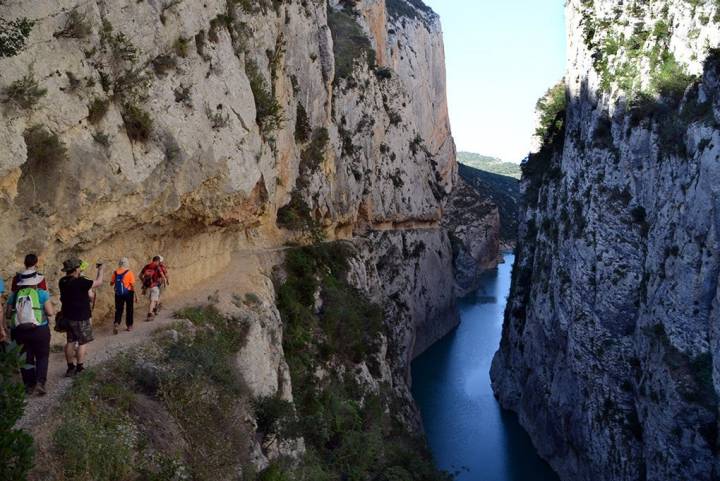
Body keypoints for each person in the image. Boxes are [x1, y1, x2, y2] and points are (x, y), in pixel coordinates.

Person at [6, 270, 54, 395]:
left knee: (25, 358)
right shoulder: (42, 293)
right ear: (35, 282)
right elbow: (50, 312)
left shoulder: (14, 295)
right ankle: (40, 383)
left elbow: (7, 314)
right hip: (39, 330)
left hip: (19, 331)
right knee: (42, 356)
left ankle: (29, 385)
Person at [59, 258, 104, 377]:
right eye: (79, 267)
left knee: (70, 342)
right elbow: (98, 283)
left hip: (68, 316)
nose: (80, 268)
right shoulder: (80, 281)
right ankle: (80, 367)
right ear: (75, 269)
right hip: (81, 317)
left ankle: (70, 368)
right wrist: (101, 270)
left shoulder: (62, 281)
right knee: (82, 342)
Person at [110, 258, 137, 334]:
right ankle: (129, 325)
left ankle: (116, 323)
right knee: (129, 309)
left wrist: (116, 282)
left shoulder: (115, 272)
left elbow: (111, 283)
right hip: (128, 292)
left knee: (118, 309)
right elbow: (132, 285)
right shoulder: (129, 272)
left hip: (118, 293)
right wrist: (135, 295)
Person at [141, 256, 168, 321]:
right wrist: (165, 283)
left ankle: (153, 311)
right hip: (154, 286)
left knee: (151, 300)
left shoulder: (146, 266)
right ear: (157, 261)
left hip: (147, 286)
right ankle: (150, 314)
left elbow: (140, 276)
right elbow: (163, 276)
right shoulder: (157, 267)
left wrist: (144, 282)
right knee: (153, 301)